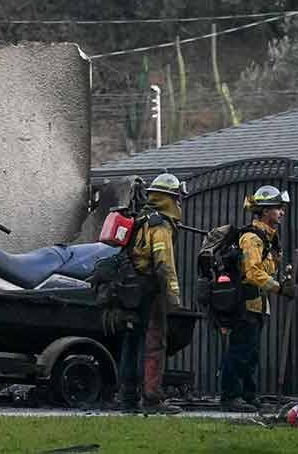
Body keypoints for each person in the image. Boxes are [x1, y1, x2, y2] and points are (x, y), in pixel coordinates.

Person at [220, 185, 295, 411]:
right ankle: (231, 396)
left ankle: (249, 395)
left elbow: (266, 268)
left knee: (251, 354)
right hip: (245, 303)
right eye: (277, 208)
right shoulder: (252, 238)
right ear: (264, 211)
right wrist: (279, 288)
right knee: (239, 352)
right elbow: (253, 273)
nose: (282, 212)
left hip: (258, 305)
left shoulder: (268, 239)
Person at [116, 172, 185, 415]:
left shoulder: (141, 218)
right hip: (150, 292)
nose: (179, 204)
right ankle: (152, 399)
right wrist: (173, 295)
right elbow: (164, 264)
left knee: (131, 342)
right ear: (169, 199)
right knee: (154, 344)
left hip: (130, 290)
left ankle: (127, 399)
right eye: (177, 198)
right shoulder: (160, 225)